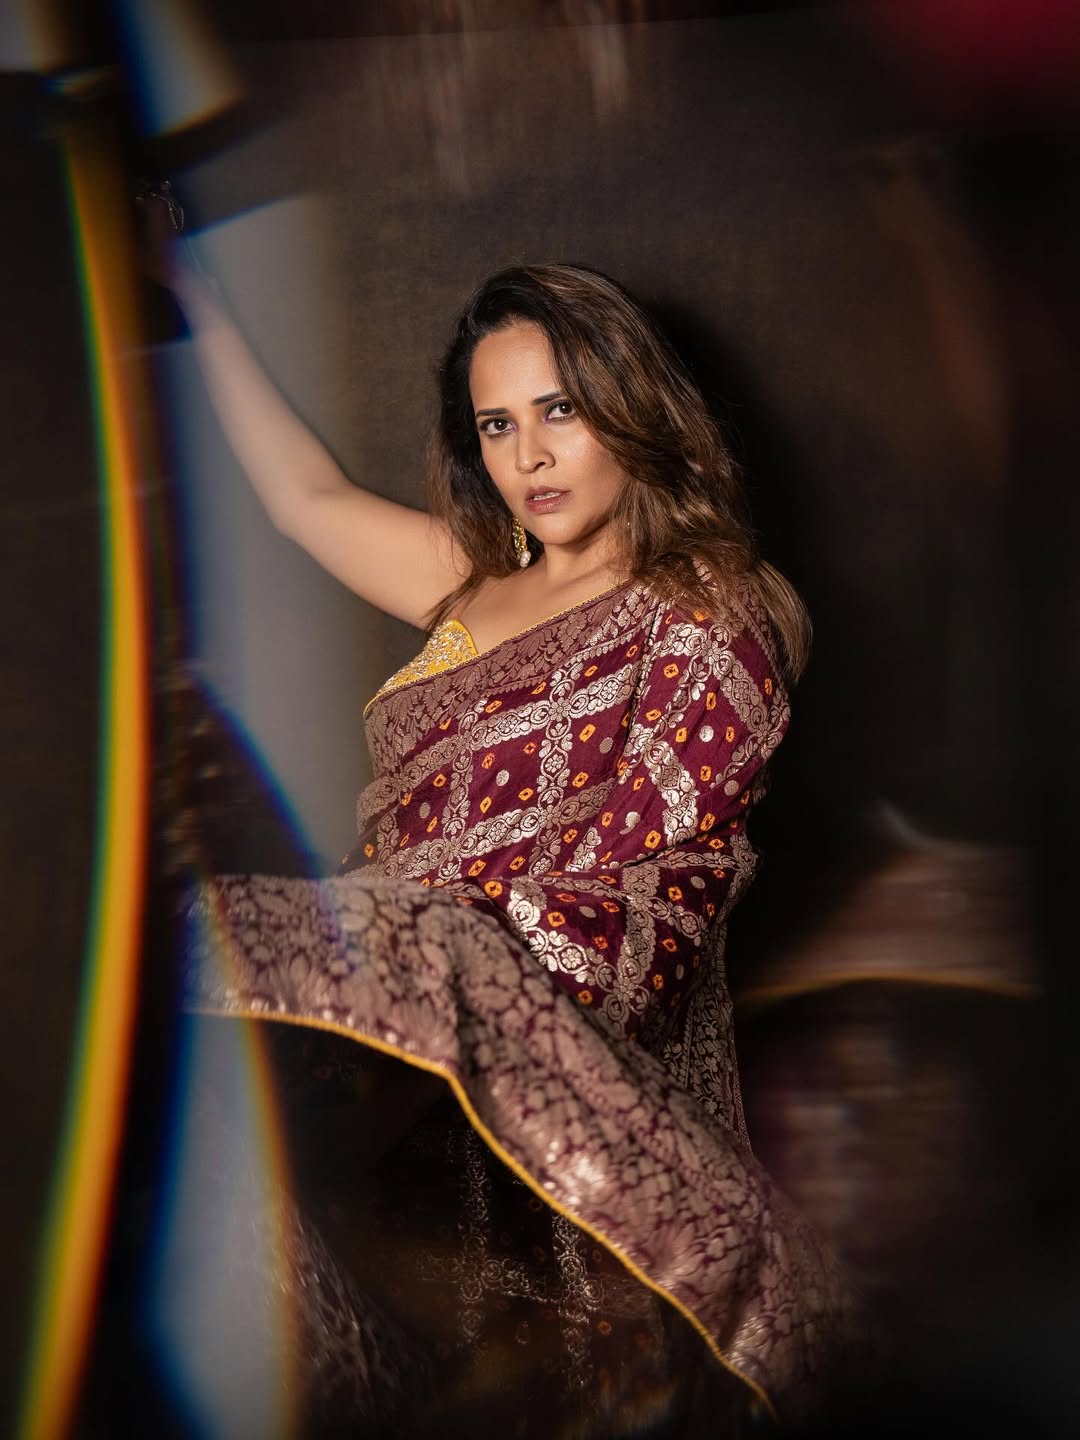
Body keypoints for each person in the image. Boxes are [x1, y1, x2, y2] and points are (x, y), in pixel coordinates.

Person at [158, 225, 845, 1436]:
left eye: (559, 411)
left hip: (522, 1053)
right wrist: (190, 289)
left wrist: (443, 956)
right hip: (375, 1007)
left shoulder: (706, 612)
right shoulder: (471, 585)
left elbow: (655, 894)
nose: (528, 456)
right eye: (495, 425)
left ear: (630, 404)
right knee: (170, 972)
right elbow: (305, 500)